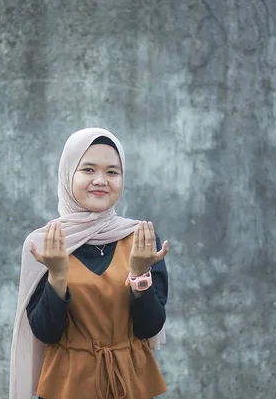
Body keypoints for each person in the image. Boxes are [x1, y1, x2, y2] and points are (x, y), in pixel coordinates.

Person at [9, 127, 169, 399]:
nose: (100, 180)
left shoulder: (141, 239)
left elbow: (149, 328)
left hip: (130, 384)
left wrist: (140, 274)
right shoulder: (45, 244)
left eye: (112, 172)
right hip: (67, 385)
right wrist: (57, 276)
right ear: (67, 173)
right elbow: (46, 333)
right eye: (88, 170)